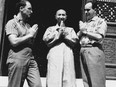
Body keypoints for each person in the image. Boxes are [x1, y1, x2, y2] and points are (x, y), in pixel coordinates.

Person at [5, 0, 42, 87]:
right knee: (15, 85)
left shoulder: (28, 25)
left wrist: (33, 35)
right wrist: (30, 35)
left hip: (30, 58)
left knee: (37, 85)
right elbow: (13, 42)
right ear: (21, 8)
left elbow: (31, 42)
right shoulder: (12, 23)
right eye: (29, 9)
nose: (31, 11)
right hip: (17, 57)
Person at [43, 9, 78, 87]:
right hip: (54, 53)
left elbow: (74, 42)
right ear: (55, 16)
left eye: (63, 15)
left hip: (67, 54)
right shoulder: (50, 29)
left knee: (68, 77)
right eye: (59, 15)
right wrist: (58, 34)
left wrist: (65, 35)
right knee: (54, 77)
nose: (61, 17)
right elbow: (47, 41)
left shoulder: (70, 29)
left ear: (66, 17)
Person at [77, 1, 107, 87]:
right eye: (85, 10)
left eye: (88, 10)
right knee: (86, 80)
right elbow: (78, 36)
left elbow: (99, 36)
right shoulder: (85, 23)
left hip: (94, 50)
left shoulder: (101, 22)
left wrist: (85, 32)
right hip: (83, 50)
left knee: (96, 80)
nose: (86, 12)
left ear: (95, 10)